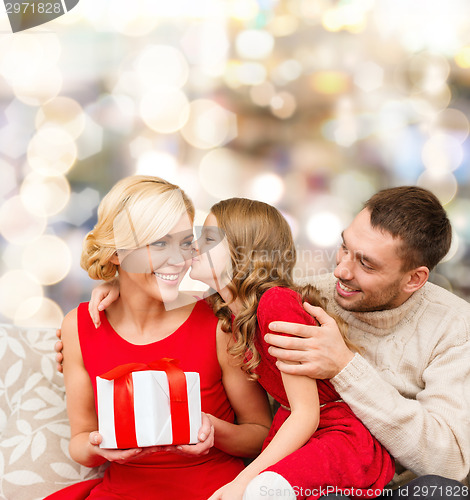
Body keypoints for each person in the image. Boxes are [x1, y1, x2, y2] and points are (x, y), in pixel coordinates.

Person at [79, 197, 396, 500]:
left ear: (242, 252)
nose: (192, 247)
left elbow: (306, 414)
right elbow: (157, 296)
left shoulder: (275, 304)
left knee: (260, 490)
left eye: (208, 239)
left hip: (337, 435)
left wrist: (242, 481)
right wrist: (114, 285)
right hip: (305, 435)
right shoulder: (229, 311)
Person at [47, 176, 272, 500]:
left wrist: (211, 429)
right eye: (159, 243)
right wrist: (102, 447)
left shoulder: (218, 320)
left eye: (184, 242)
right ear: (115, 252)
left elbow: (260, 433)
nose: (178, 260)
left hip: (213, 491)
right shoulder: (79, 326)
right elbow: (80, 442)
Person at [263, 186, 470, 498]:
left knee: (440, 491)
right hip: (311, 476)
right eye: (344, 248)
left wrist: (344, 367)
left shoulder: (454, 326)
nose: (341, 270)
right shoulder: (307, 297)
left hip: (397, 488)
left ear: (414, 279)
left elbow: (449, 463)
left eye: (366, 264)